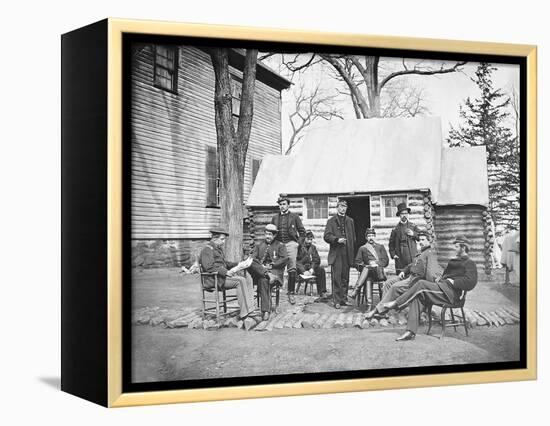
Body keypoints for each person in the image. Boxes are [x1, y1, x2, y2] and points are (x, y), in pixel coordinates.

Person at [382, 235, 478, 341]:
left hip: (451, 295)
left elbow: (471, 282)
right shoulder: (453, 261)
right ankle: (410, 332)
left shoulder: (469, 263)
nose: (454, 249)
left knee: (421, 284)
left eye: (456, 247)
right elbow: (446, 275)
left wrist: (454, 282)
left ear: (463, 248)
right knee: (418, 297)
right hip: (443, 289)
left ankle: (396, 303)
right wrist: (440, 278)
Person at [364, 229, 441, 319]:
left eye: (423, 240)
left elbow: (430, 272)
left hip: (416, 280)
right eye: (419, 240)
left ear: (429, 241)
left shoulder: (430, 253)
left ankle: (377, 310)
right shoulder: (421, 251)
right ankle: (384, 311)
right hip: (409, 276)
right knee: (388, 283)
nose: (420, 242)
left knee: (395, 287)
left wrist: (427, 285)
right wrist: (404, 271)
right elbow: (412, 264)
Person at [199, 227, 258, 319]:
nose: (223, 242)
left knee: (248, 278)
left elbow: (224, 263)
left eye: (224, 239)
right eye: (221, 239)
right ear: (214, 238)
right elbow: (209, 267)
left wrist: (239, 264)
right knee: (240, 281)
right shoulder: (207, 250)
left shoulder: (217, 249)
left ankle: (250, 307)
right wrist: (226, 272)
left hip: (220, 277)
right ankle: (245, 312)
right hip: (213, 279)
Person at [271, 194, 306, 305]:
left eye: (284, 204)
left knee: (292, 268)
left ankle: (291, 293)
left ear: (288, 205)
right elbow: (271, 232)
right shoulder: (275, 218)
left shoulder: (294, 217)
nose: (282, 206)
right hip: (279, 244)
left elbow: (302, 232)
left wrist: (297, 244)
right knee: (278, 266)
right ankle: (277, 289)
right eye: (280, 204)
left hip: (291, 244)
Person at [251, 224, 289, 320]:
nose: (268, 236)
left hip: (275, 272)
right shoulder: (259, 246)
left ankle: (265, 310)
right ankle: (259, 309)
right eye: (266, 234)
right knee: (262, 278)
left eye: (270, 234)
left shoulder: (280, 246)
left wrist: (273, 265)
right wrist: (261, 266)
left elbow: (284, 259)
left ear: (275, 235)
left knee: (263, 280)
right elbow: (253, 259)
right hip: (261, 272)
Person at [323, 199, 356, 309]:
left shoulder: (350, 221)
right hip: (336, 253)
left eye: (345, 207)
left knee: (345, 277)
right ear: (337, 207)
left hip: (347, 253)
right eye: (341, 206)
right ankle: (336, 300)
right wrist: (337, 240)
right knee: (336, 277)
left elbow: (353, 238)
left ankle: (344, 299)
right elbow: (326, 236)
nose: (343, 208)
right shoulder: (331, 221)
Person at [350, 228, 389, 307]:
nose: (371, 237)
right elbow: (357, 263)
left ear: (375, 236)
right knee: (368, 276)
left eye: (372, 235)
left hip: (379, 273)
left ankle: (356, 290)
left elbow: (386, 261)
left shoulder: (380, 247)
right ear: (366, 237)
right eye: (369, 236)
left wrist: (376, 263)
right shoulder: (362, 248)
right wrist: (366, 265)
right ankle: (369, 305)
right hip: (368, 274)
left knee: (367, 271)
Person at [388, 202, 420, 274]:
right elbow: (391, 244)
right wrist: (393, 255)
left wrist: (413, 234)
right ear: (399, 215)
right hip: (400, 257)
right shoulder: (395, 229)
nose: (404, 215)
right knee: (401, 277)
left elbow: (421, 236)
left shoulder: (413, 226)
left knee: (413, 275)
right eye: (402, 213)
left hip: (411, 255)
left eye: (406, 213)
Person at [296, 230, 328, 299]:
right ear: (304, 238)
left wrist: (312, 269)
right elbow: (296, 261)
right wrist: (303, 271)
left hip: (310, 268)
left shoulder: (313, 247)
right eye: (308, 239)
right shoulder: (298, 247)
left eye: (311, 239)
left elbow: (316, 259)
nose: (310, 241)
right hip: (300, 269)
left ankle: (322, 292)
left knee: (321, 270)